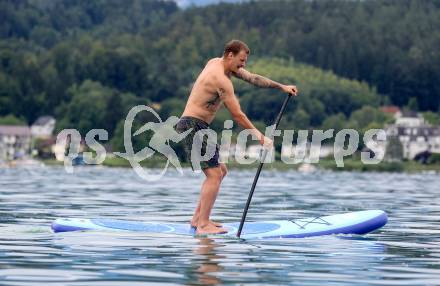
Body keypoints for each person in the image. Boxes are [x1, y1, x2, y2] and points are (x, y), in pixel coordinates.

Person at [176, 40, 298, 235]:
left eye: (245, 61)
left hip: (199, 126)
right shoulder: (220, 79)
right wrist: (259, 136)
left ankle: (198, 219)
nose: (243, 65)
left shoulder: (218, 63)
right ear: (230, 55)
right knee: (214, 174)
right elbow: (237, 115)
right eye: (241, 61)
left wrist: (281, 86)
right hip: (192, 125)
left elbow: (253, 78)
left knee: (221, 171)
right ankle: (203, 225)